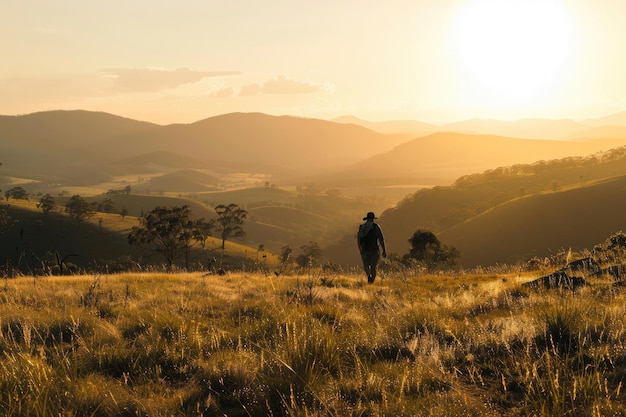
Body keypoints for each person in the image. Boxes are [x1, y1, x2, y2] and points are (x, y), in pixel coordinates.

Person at [357, 212, 386, 283]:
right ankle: (372, 280)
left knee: (366, 265)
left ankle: (368, 276)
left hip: (364, 250)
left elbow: (359, 239)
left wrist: (360, 249)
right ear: (373, 219)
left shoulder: (362, 227)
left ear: (367, 219)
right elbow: (381, 239)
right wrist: (384, 250)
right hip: (374, 249)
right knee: (373, 266)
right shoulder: (376, 226)